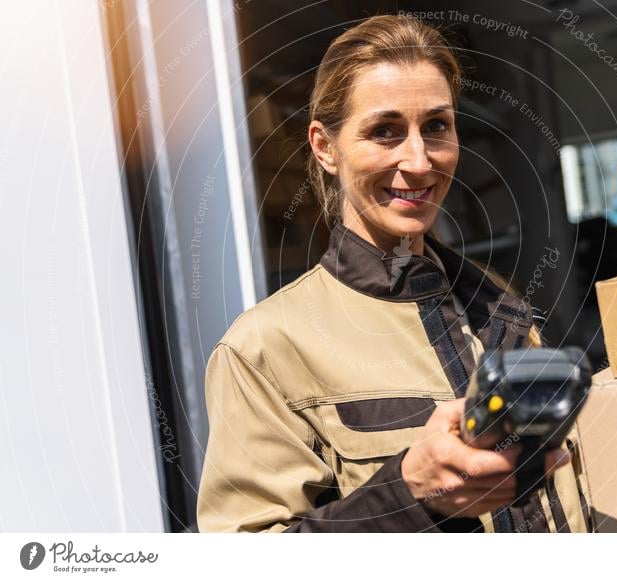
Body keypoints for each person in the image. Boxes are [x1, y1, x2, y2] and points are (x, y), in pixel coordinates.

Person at [197, 14, 592, 533]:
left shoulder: (498, 302)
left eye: (436, 127)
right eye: (384, 132)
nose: (420, 160)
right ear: (324, 147)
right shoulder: (264, 350)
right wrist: (407, 494)